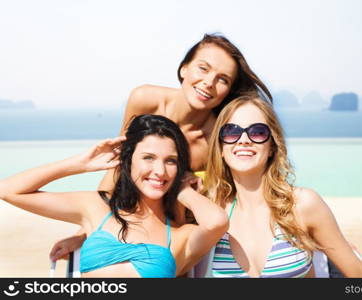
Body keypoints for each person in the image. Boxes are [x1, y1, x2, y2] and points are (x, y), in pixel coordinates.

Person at [49, 32, 272, 261]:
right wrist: (85, 232)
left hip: (182, 230)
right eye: (203, 69)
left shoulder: (217, 135)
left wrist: (201, 185)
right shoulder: (145, 99)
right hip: (133, 217)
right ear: (184, 68)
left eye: (223, 79)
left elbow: (235, 188)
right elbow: (118, 167)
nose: (209, 83)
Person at [0, 115, 228, 277]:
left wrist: (182, 189)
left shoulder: (180, 236)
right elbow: (8, 190)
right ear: (128, 162)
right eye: (148, 157)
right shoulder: (96, 207)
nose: (160, 170)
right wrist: (81, 164)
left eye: (171, 161)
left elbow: (217, 221)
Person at [201, 94, 362, 277]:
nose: (244, 139)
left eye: (258, 132)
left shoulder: (301, 204)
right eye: (232, 131)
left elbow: (361, 275)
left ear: (272, 147)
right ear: (220, 147)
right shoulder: (211, 212)